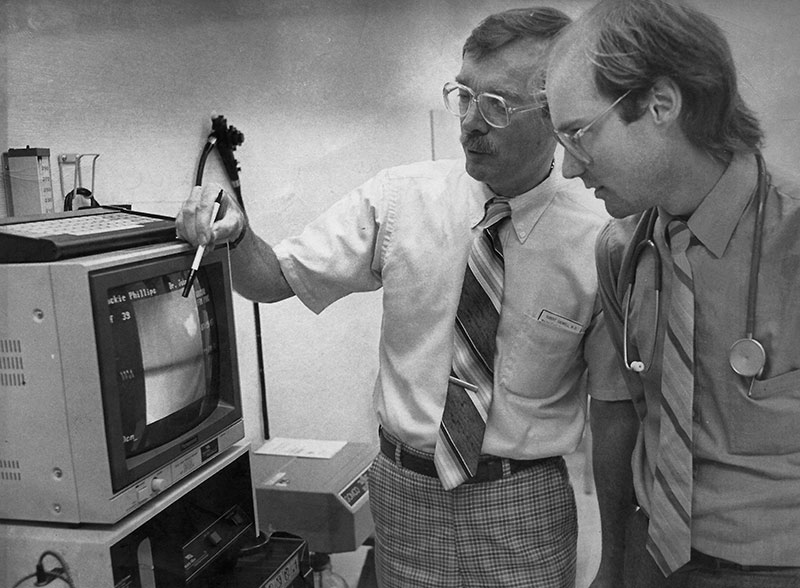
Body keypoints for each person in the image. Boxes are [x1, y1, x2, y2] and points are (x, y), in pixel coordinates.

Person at [177, 7, 626, 587]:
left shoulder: (600, 241)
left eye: (497, 106)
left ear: (555, 113)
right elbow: (269, 282)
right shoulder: (399, 200)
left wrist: (617, 560)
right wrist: (236, 235)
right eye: (463, 96)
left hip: (523, 506)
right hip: (405, 496)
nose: (469, 124)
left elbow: (615, 410)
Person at [546, 0, 800, 586]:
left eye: (578, 134)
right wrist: (612, 565)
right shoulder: (621, 252)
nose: (567, 168)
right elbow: (634, 412)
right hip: (653, 560)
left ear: (660, 103)